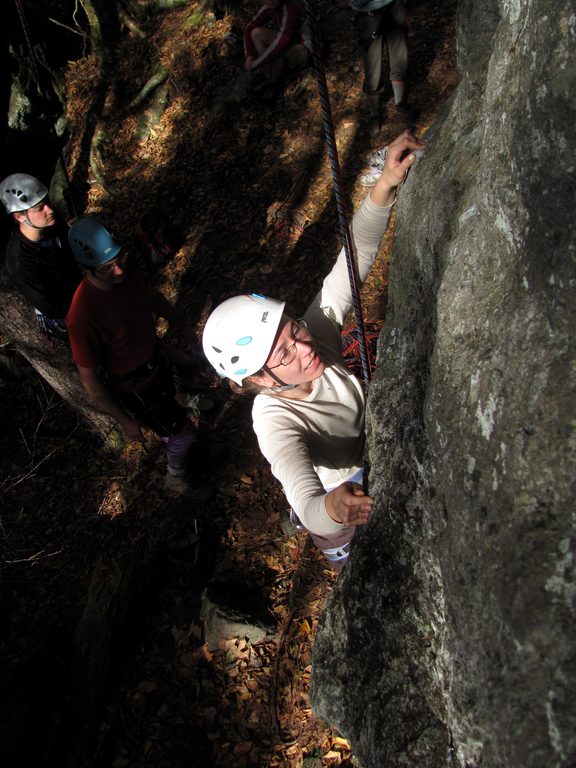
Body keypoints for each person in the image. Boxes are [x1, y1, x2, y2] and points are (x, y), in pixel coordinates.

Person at [202, 131, 425, 569]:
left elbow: (351, 263)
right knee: (348, 553)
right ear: (257, 382)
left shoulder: (312, 335)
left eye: (293, 330)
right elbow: (308, 501)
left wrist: (384, 186)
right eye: (283, 355)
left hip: (371, 439)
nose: (303, 347)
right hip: (343, 483)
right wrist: (331, 510)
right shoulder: (273, 421)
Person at [65, 216, 212, 500]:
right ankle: (175, 478)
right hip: (137, 387)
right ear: (87, 269)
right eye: (107, 268)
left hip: (157, 362)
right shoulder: (83, 315)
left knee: (177, 414)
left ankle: (185, 445)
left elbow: (149, 297)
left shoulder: (126, 271)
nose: (119, 270)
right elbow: (89, 378)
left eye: (120, 259)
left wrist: (179, 323)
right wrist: (123, 420)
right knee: (183, 435)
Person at [0, 173, 81, 344]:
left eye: (47, 202)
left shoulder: (51, 222)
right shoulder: (21, 264)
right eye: (39, 208)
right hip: (67, 313)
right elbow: (52, 308)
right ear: (20, 216)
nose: (49, 210)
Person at [350, 0, 409, 136]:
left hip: (393, 5)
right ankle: (375, 115)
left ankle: (400, 102)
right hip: (367, 13)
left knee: (399, 56)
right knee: (373, 68)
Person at [244, 0, 311, 101]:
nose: (270, 1)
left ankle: (274, 86)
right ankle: (271, 79)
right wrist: (249, 56)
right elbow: (249, 29)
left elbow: (280, 42)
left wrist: (256, 64)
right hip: (291, 42)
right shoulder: (269, 7)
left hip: (305, 49)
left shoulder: (290, 8)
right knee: (256, 33)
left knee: (276, 52)